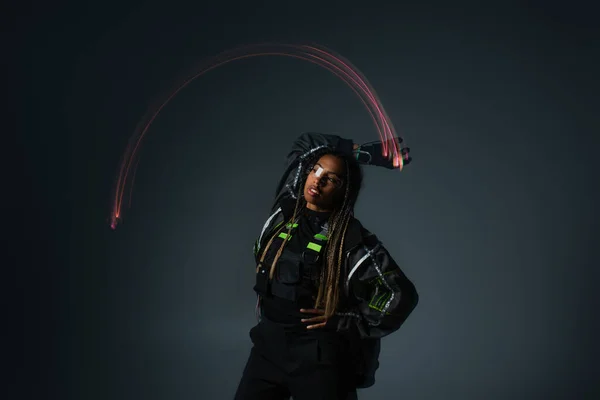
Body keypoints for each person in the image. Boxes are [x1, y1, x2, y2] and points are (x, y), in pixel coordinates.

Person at [234, 132, 419, 400]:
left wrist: (346, 321)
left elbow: (399, 295)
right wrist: (362, 154)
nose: (317, 180)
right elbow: (306, 144)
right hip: (267, 350)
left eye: (330, 179)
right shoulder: (285, 208)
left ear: (344, 191)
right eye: (315, 170)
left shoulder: (352, 240)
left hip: (319, 360)